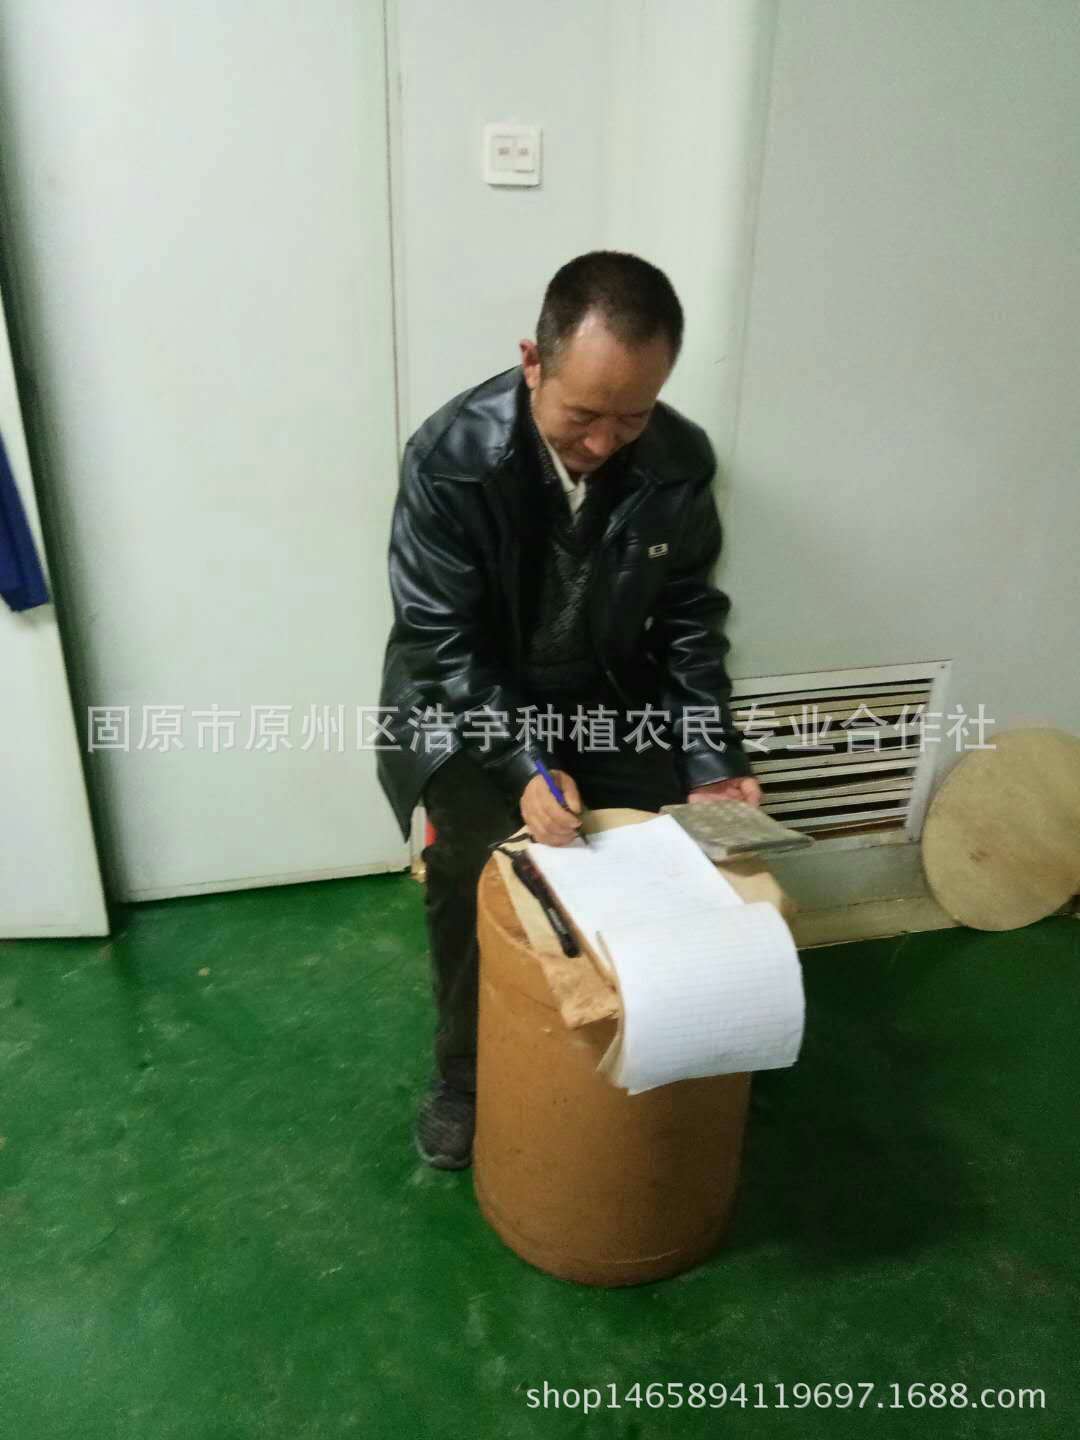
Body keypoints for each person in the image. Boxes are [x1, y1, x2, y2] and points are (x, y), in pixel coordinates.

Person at [377, 251, 761, 1168]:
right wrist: (523, 765)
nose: (604, 442)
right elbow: (442, 640)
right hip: (465, 704)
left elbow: (689, 625)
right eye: (583, 415)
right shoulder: (451, 458)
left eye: (633, 417)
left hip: (605, 697)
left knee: (665, 843)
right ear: (533, 362)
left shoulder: (677, 460)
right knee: (481, 863)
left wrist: (711, 762)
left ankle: (672, 1031)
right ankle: (466, 1074)